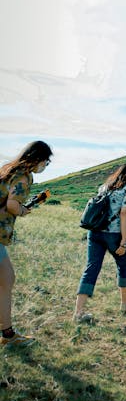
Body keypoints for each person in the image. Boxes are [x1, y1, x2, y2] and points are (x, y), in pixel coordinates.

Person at [0, 140, 53, 347]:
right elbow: (13, 205)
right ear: (37, 159)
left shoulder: (9, 169)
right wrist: (22, 210)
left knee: (6, 279)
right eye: (45, 162)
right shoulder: (23, 176)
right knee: (6, 280)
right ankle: (8, 334)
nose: (44, 166)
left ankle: (7, 333)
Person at [74, 163, 126, 323]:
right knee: (124, 265)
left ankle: (79, 312)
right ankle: (125, 303)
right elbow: (124, 214)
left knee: (91, 268)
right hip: (114, 234)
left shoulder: (105, 187)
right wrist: (123, 241)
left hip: (95, 232)